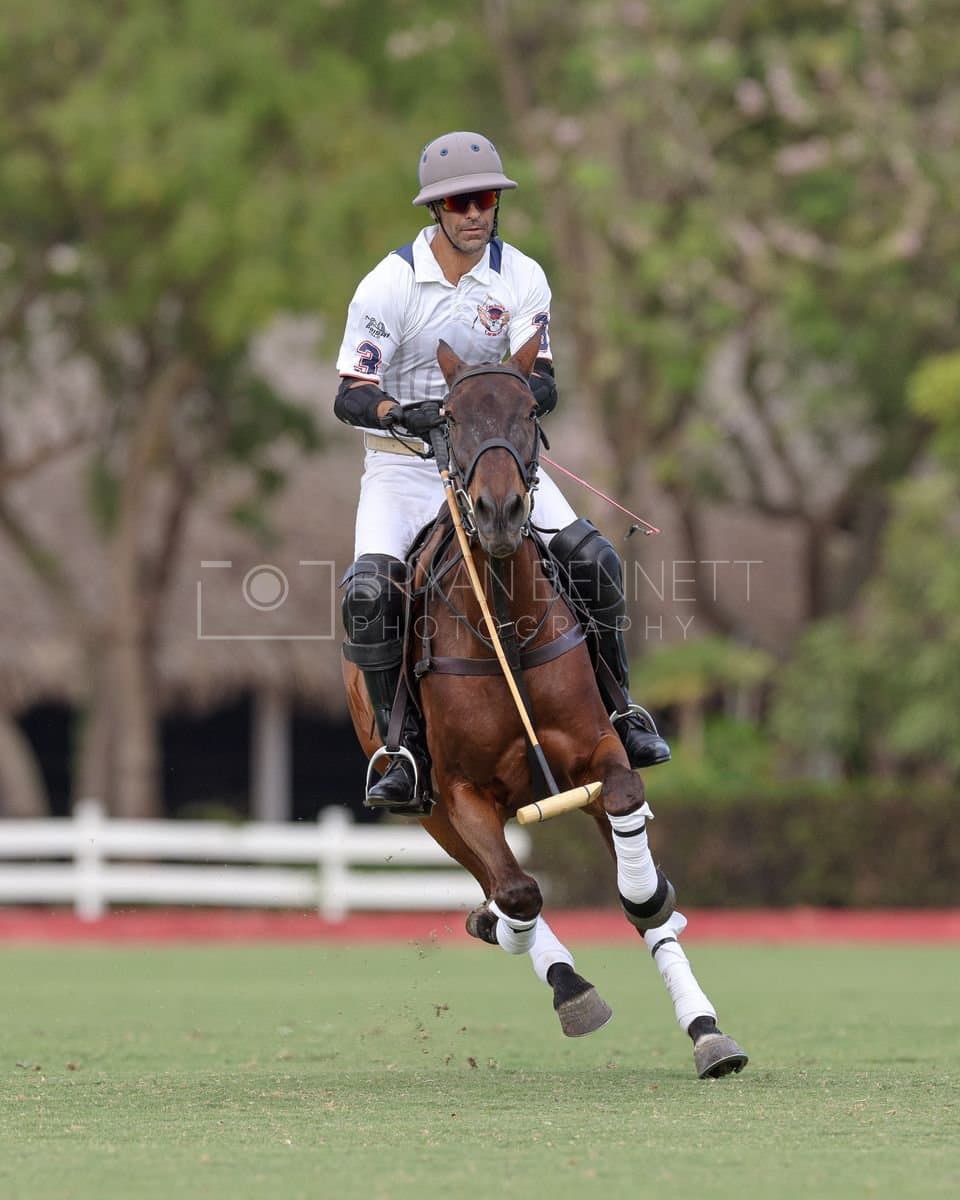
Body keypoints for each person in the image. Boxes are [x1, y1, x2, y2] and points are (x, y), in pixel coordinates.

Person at [335, 131, 670, 814]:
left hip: (497, 466)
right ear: (435, 209)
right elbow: (349, 393)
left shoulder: (520, 276)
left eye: (485, 198)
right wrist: (409, 413)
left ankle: (622, 710)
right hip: (406, 470)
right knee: (369, 594)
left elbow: (542, 380)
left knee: (595, 560)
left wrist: (499, 412)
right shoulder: (390, 284)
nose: (473, 213)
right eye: (458, 202)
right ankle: (400, 749)